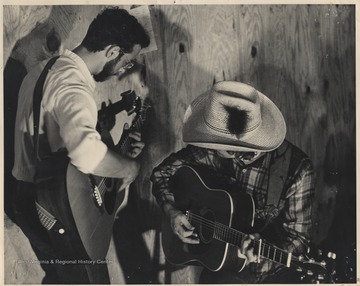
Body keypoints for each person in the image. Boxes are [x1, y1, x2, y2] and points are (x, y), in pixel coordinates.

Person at [11, 7, 150, 284]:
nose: (124, 70)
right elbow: (85, 155)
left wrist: (114, 147)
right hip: (52, 206)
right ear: (112, 51)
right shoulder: (74, 85)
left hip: (29, 195)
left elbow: (59, 145)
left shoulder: (42, 70)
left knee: (63, 277)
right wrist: (128, 167)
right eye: (127, 61)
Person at [151, 81, 315, 283]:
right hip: (221, 265)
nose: (205, 142)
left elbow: (298, 240)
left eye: (210, 139)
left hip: (268, 273)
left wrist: (260, 257)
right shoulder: (211, 151)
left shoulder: (296, 169)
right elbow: (162, 173)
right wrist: (171, 210)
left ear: (230, 148)